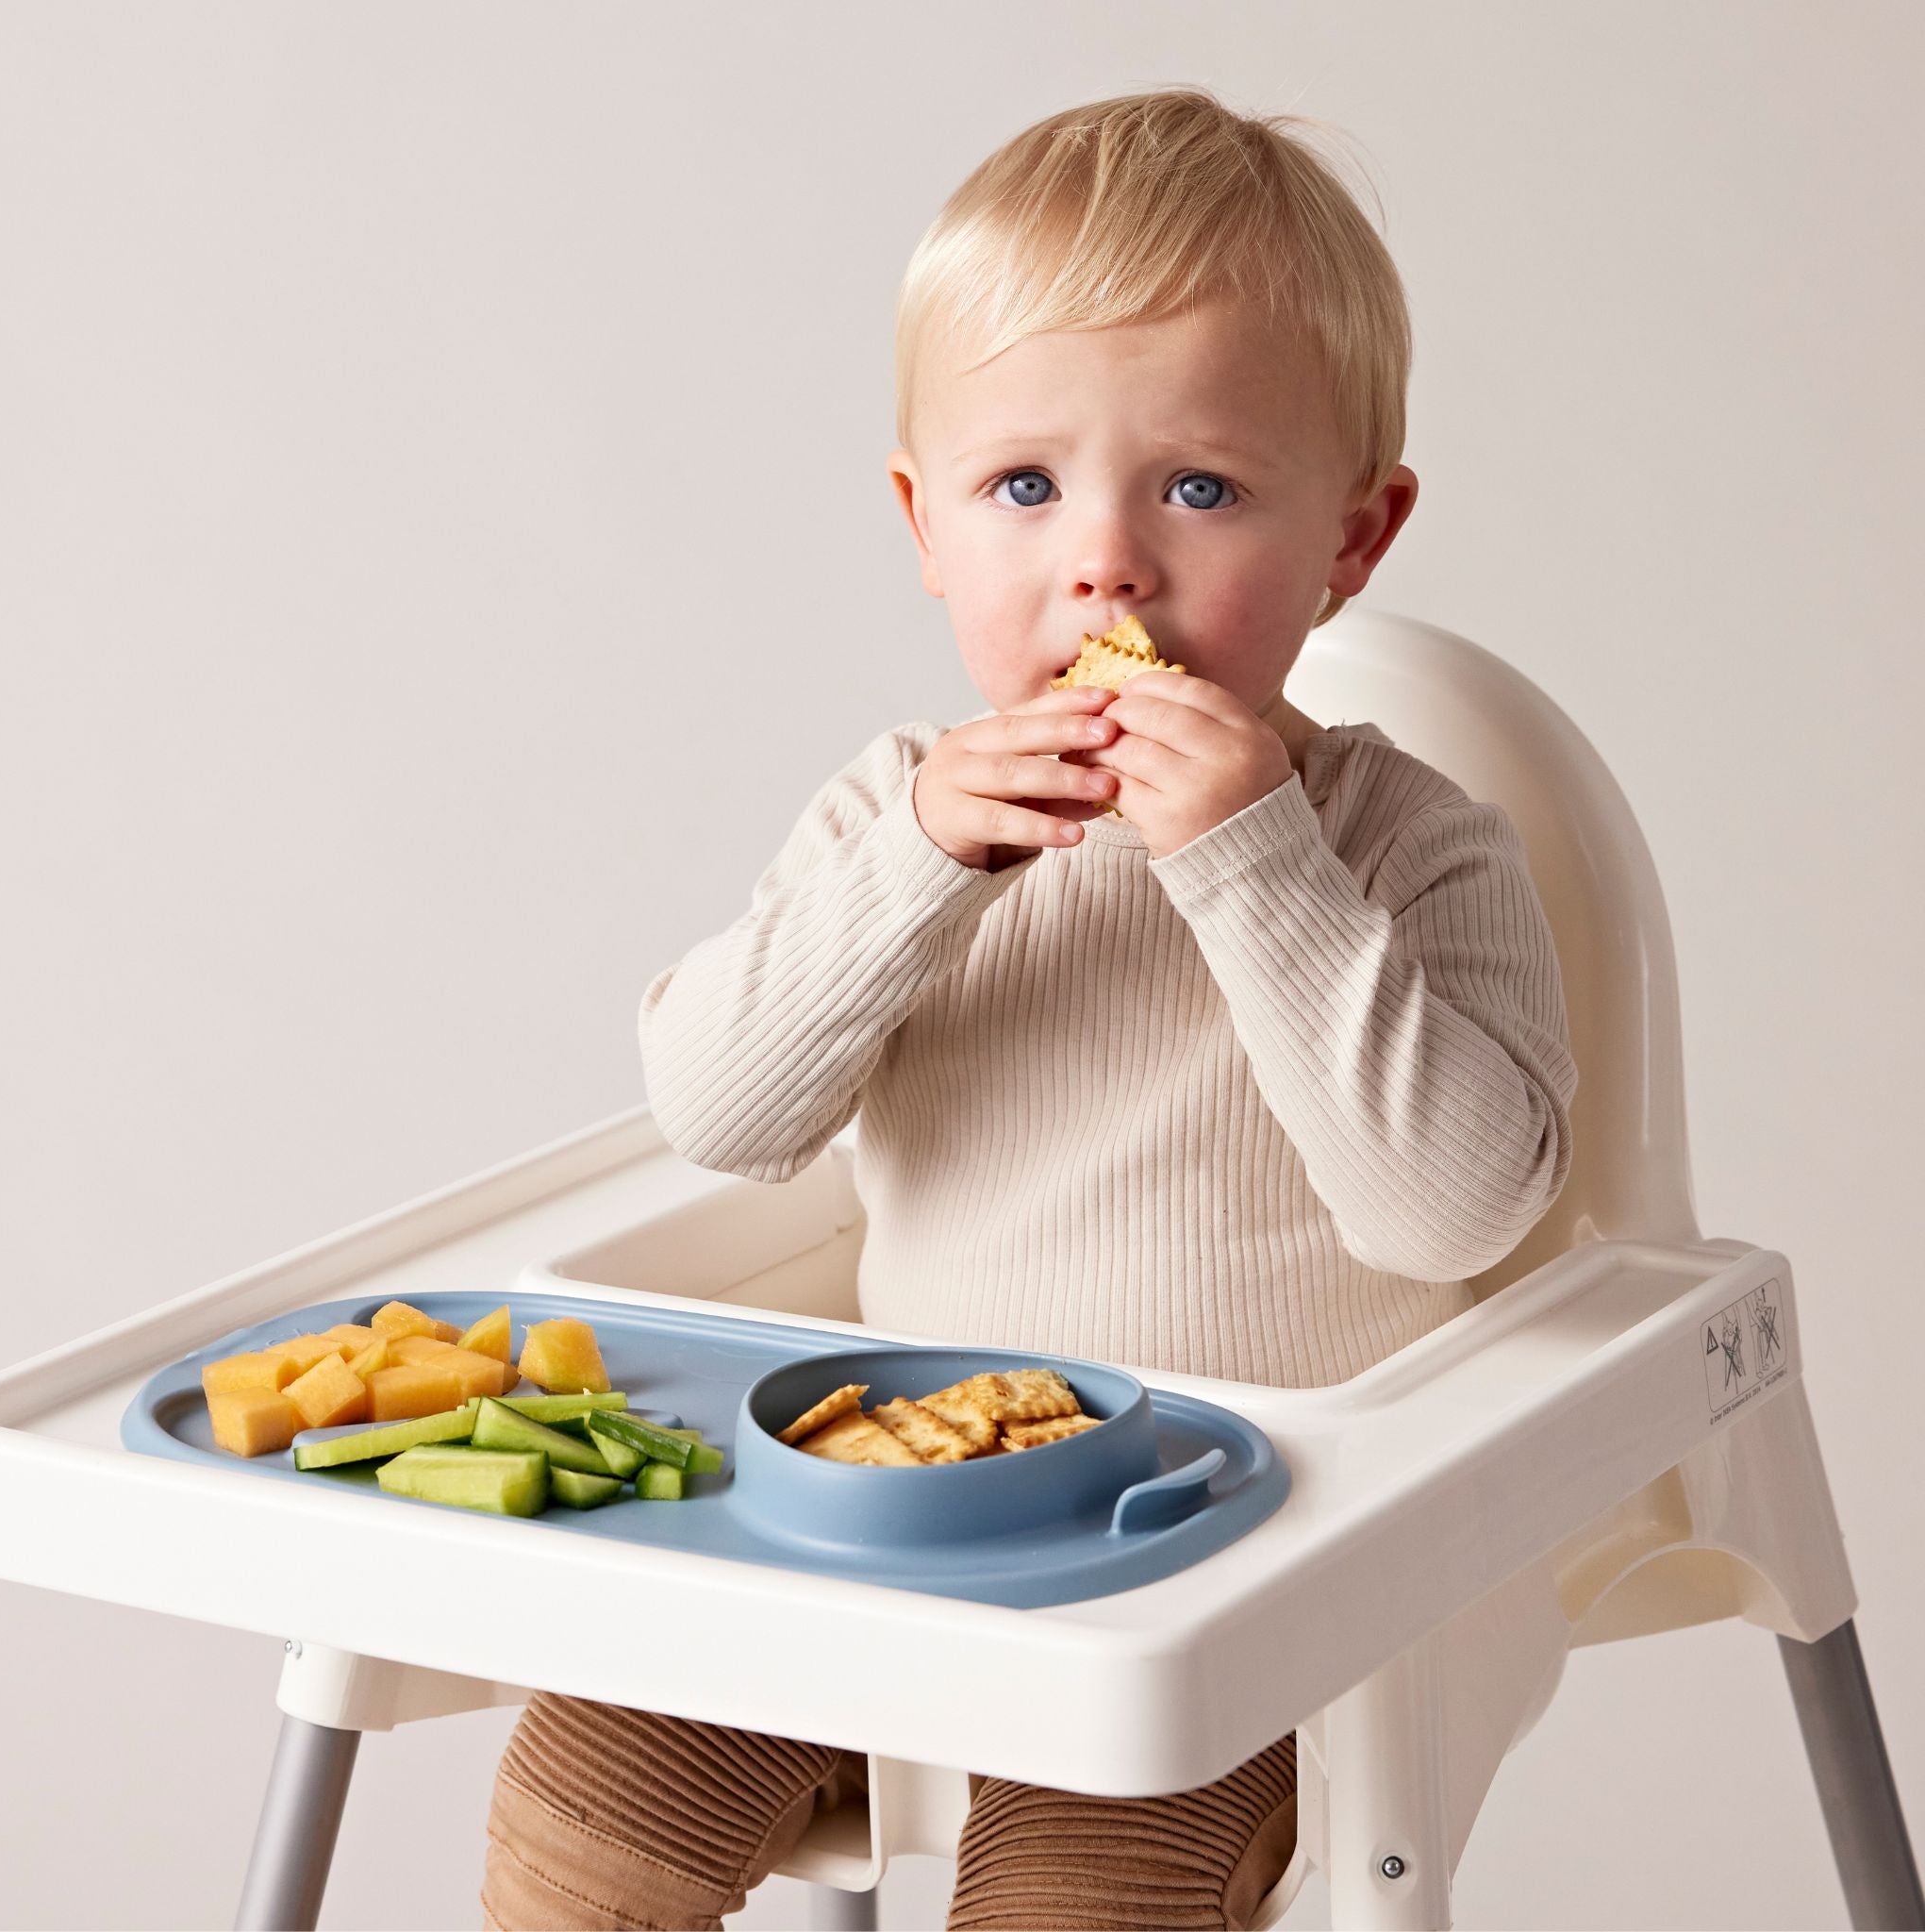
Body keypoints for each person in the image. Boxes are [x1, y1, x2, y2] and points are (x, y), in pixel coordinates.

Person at [482, 83, 1577, 1931]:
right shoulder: (891, 814)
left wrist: (1252, 859)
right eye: (1022, 487)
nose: (1107, 565)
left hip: (1226, 1564)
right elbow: (718, 1110)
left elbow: (1458, 1209)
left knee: (1079, 1902)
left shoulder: (1408, 843)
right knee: (582, 1806)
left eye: (1202, 487)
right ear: (924, 524)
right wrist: (913, 866)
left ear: (1354, 539)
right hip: (879, 1515)